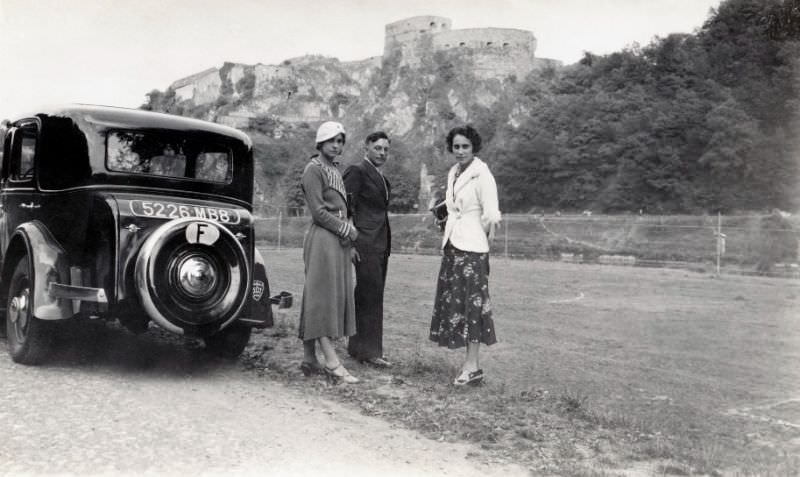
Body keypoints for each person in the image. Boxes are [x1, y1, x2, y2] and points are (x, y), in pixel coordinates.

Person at [429, 125, 501, 386]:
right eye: (456, 146)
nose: (460, 151)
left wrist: (478, 234)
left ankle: (472, 367)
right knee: (458, 304)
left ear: (474, 147)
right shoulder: (454, 172)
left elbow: (492, 214)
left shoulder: (482, 174)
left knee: (473, 307)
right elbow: (451, 207)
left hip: (472, 249)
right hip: (453, 246)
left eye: (465, 146)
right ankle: (470, 367)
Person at [298, 121, 360, 384]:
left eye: (340, 141)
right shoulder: (313, 170)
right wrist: (346, 230)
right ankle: (332, 361)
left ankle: (309, 357)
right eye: (332, 141)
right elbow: (319, 212)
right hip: (323, 238)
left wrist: (349, 235)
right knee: (321, 297)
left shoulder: (334, 168)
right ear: (320, 143)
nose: (337, 145)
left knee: (319, 294)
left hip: (335, 240)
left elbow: (341, 209)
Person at [343, 131, 392, 368]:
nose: (382, 153)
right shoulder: (358, 171)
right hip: (365, 243)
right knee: (369, 295)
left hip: (380, 243)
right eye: (378, 148)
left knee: (369, 294)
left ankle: (358, 348)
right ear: (367, 148)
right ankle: (370, 352)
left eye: (385, 149)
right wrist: (350, 244)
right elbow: (344, 207)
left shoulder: (381, 177)